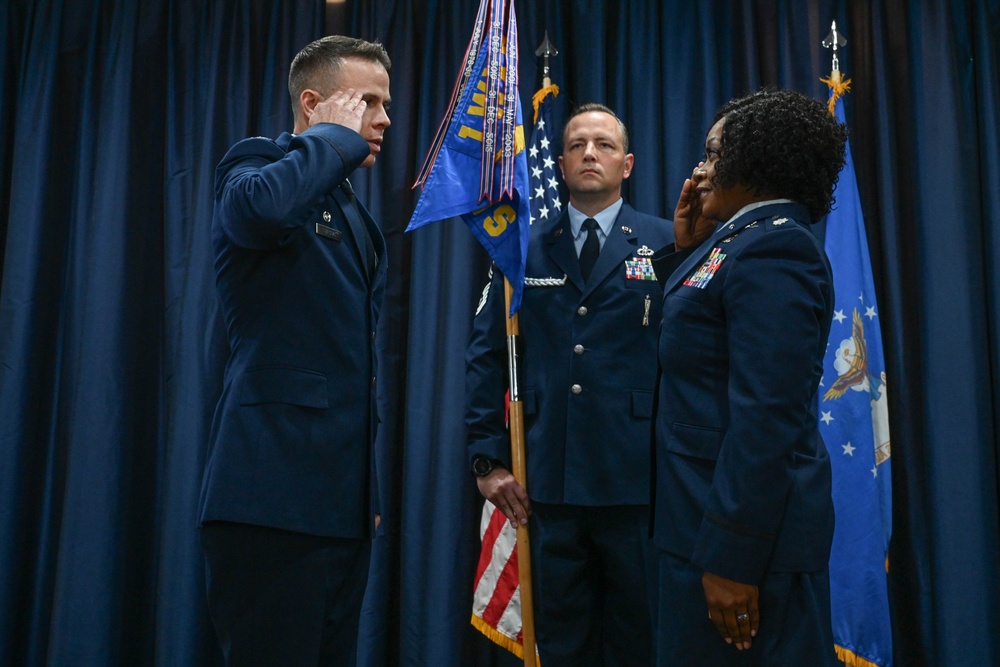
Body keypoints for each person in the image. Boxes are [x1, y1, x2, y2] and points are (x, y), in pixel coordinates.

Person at [198, 35, 391, 666]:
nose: (385, 119)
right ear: (314, 104)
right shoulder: (255, 164)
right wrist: (329, 140)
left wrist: (365, 497)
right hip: (270, 499)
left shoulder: (351, 211)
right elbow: (255, 214)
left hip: (340, 507)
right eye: (369, 102)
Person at [465, 103, 672, 666]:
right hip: (547, 482)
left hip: (639, 483)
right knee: (561, 644)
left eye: (603, 145)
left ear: (626, 164)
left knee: (641, 642)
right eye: (578, 144)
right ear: (559, 163)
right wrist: (488, 459)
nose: (589, 154)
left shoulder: (667, 242)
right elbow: (488, 355)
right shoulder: (523, 246)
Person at [650, 89, 847, 666]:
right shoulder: (739, 242)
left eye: (713, 154)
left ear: (756, 164)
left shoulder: (777, 248)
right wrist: (683, 253)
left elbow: (767, 418)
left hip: (744, 549)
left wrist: (732, 558)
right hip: (698, 526)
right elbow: (688, 352)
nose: (700, 170)